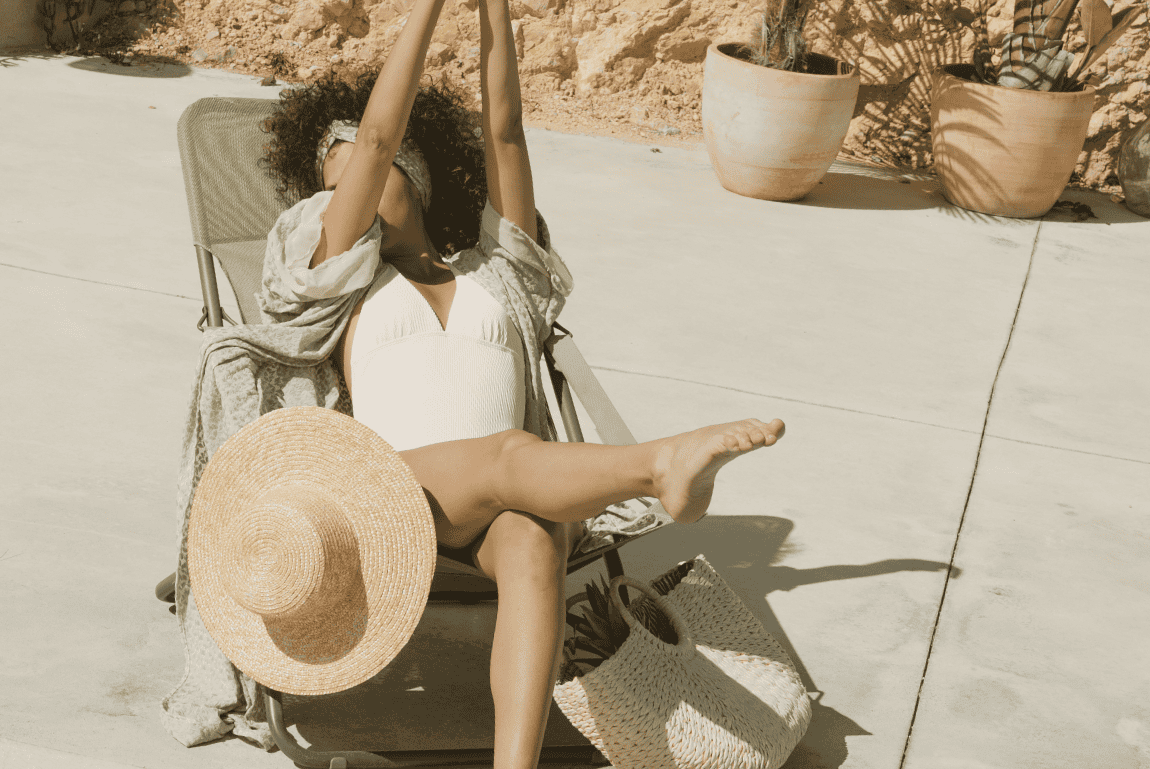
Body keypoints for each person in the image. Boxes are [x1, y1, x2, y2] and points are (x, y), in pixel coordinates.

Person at [254, 0, 786, 766]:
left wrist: (494, 10)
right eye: (336, 183)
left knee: (535, 539)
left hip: (499, 505)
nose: (350, 189)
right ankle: (656, 465)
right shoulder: (340, 278)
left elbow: (505, 128)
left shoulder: (504, 274)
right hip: (393, 501)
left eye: (370, 170)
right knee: (511, 452)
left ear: (423, 176)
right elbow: (374, 134)